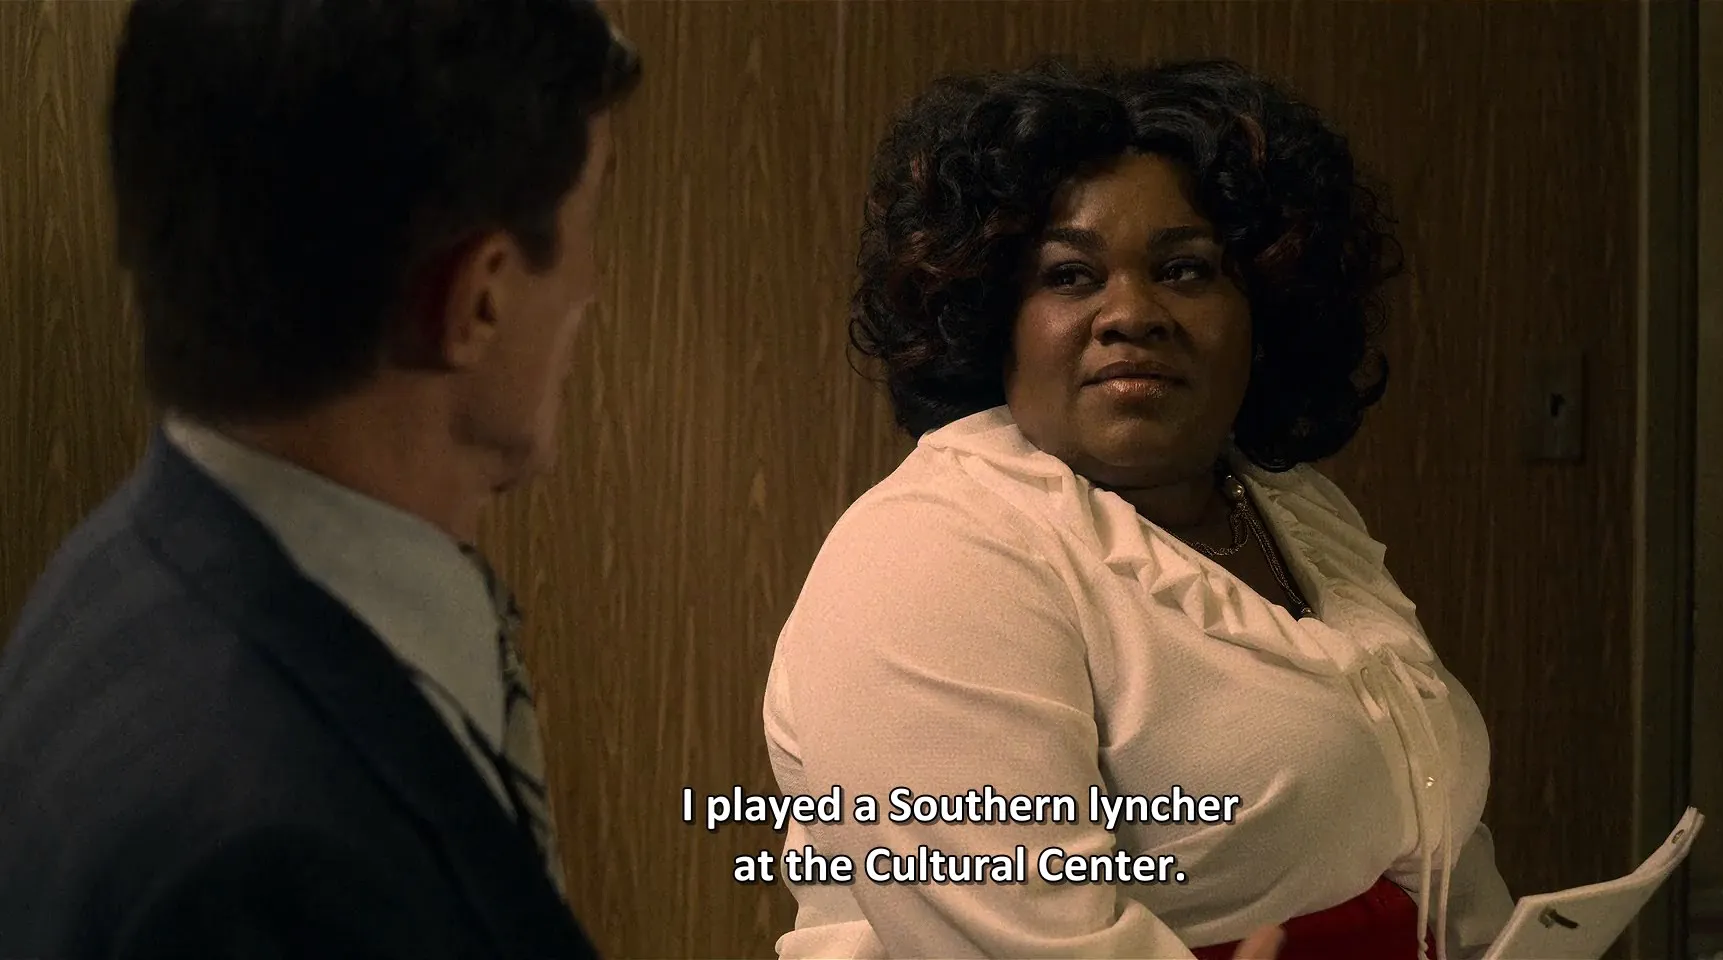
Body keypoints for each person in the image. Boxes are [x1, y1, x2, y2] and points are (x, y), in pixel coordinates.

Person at [763, 59, 1514, 959]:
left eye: (1185, 270)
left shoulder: (1299, 510)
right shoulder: (929, 556)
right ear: (992, 316)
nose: (1133, 313)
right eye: (1070, 275)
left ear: (1264, 310)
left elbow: (1441, 849)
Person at [0, 2, 639, 956]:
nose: (590, 282)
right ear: (478, 297)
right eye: (590, 220)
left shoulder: (111, 576)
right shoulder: (276, 871)